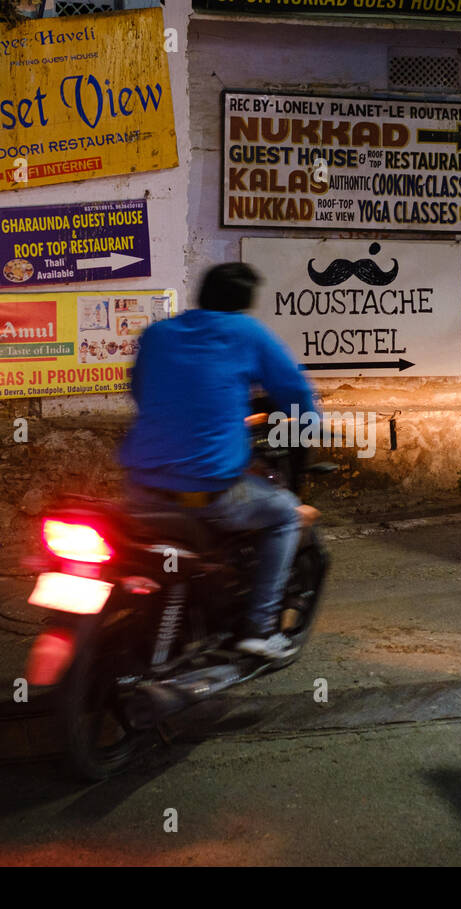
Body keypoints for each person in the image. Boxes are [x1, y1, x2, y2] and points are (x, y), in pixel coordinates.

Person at [118, 263, 319, 660]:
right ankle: (259, 630)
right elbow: (294, 390)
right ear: (244, 302)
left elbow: (141, 391)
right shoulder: (246, 333)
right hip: (206, 492)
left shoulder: (158, 334)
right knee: (284, 516)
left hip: (139, 489)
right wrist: (311, 423)